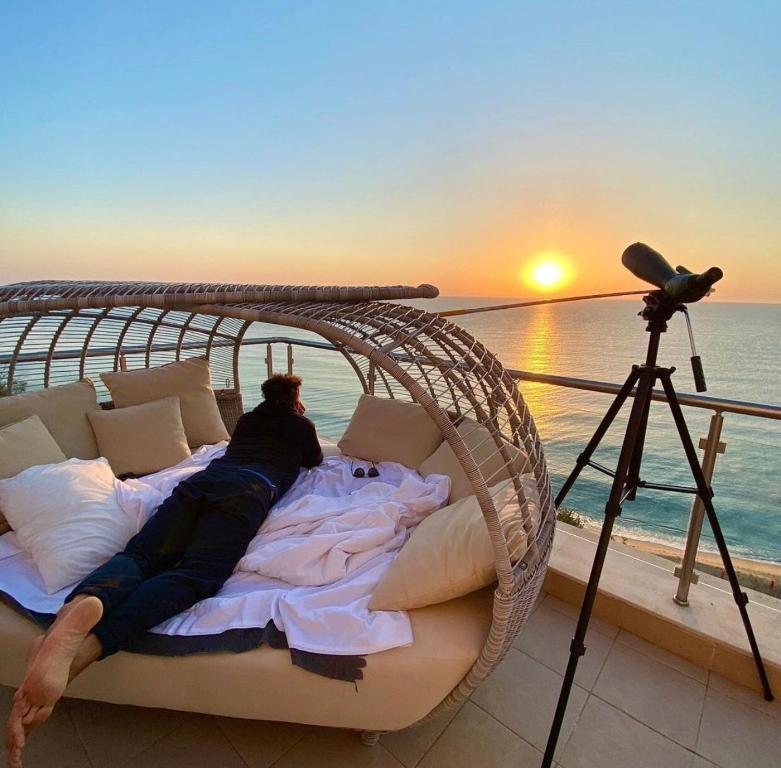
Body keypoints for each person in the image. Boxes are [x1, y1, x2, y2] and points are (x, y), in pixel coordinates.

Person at [5, 374, 322, 768]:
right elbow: (314, 460)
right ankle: (88, 647)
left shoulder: (247, 421)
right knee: (196, 572)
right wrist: (301, 419)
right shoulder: (300, 424)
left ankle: (81, 606)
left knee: (141, 555)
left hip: (201, 482)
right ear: (295, 399)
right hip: (248, 489)